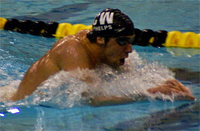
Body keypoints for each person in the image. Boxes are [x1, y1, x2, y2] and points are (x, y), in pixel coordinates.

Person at [10, 8, 196, 106]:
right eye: (123, 41)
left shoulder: (106, 51)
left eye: (131, 41)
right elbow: (92, 100)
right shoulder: (72, 51)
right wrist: (151, 94)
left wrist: (165, 84)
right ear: (100, 39)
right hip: (18, 103)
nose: (130, 49)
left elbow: (129, 78)